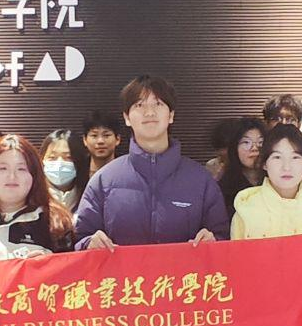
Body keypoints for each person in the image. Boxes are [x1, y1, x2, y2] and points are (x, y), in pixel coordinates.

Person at [74, 75, 229, 250]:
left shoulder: (200, 180)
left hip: (184, 269)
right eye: (139, 105)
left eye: (158, 104)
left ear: (171, 115)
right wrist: (89, 243)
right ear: (126, 117)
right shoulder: (104, 180)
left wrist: (213, 241)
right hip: (125, 270)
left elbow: (223, 236)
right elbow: (81, 238)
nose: (149, 112)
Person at [231, 125, 302, 239]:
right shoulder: (246, 209)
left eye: (295, 157)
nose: (286, 167)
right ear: (264, 163)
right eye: (277, 157)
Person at [215, 116, 266, 213]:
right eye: (246, 142)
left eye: (260, 142)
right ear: (234, 148)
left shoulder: (276, 183)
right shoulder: (223, 188)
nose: (254, 148)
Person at [77, 110, 123, 192]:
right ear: (85, 140)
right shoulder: (77, 171)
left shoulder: (128, 169)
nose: (100, 141)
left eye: (106, 135)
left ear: (118, 139)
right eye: (94, 135)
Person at [40, 128, 80, 211]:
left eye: (68, 157)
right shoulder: (32, 195)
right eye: (52, 157)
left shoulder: (88, 193)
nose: (59, 164)